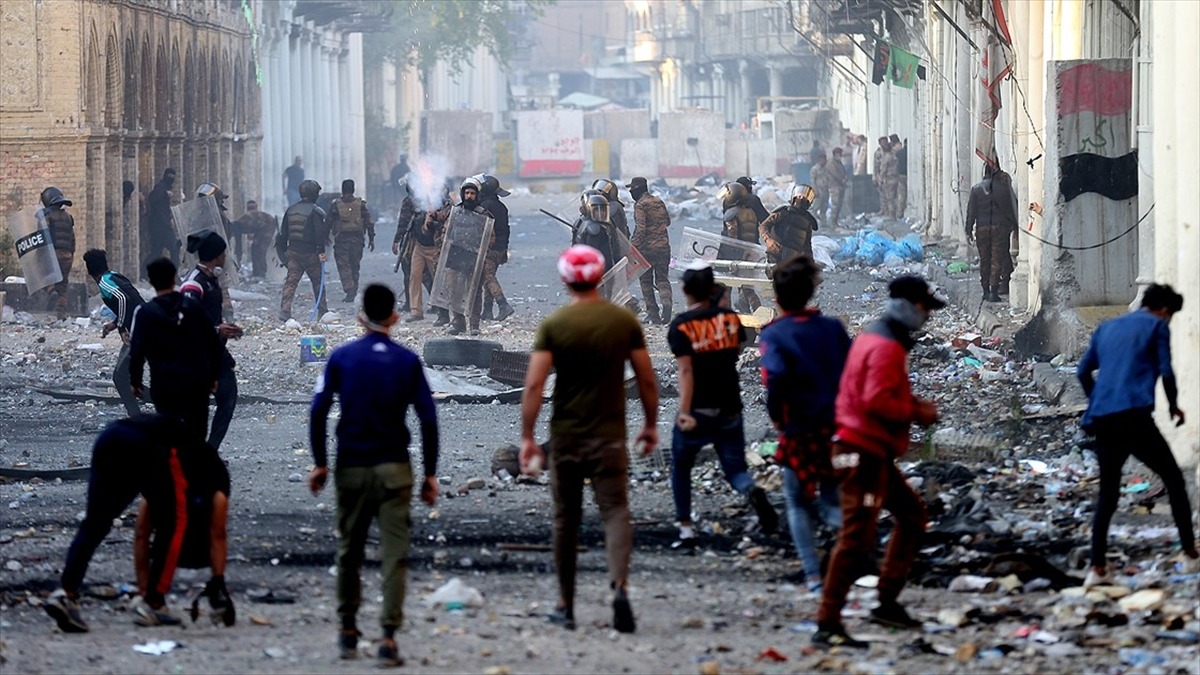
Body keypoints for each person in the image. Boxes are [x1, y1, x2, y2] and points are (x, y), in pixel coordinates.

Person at [519, 245, 659, 634]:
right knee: (615, 512)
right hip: (610, 437)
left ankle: (565, 605)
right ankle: (620, 588)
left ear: (565, 279)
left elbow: (533, 386)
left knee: (566, 519)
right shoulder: (622, 321)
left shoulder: (555, 324)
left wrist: (528, 437)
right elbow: (647, 379)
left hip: (566, 437)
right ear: (600, 277)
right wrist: (649, 424)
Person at [309, 283, 440, 667]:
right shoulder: (407, 361)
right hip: (394, 467)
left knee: (350, 548)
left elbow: (318, 410)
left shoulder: (341, 358)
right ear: (395, 318)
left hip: (351, 465)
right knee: (394, 554)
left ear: (359, 318)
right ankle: (388, 637)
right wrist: (430, 473)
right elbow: (428, 419)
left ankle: (348, 630)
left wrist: (320, 463)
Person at [814, 276, 944, 649]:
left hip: (869, 451)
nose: (926, 317)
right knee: (857, 537)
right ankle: (827, 621)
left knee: (912, 516)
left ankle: (886, 601)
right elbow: (876, 401)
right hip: (862, 454)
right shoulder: (887, 347)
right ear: (907, 305)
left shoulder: (874, 336)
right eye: (923, 309)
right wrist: (918, 410)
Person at [1078, 284, 1198, 587]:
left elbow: (1082, 372)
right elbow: (1167, 372)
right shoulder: (1157, 326)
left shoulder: (1107, 327)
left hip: (1103, 419)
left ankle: (1097, 567)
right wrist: (1173, 406)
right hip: (1134, 416)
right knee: (1173, 479)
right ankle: (1190, 554)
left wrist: (1097, 402)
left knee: (1108, 493)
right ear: (1164, 310)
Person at [42, 414, 203, 632]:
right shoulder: (191, 451)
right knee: (172, 523)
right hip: (143, 446)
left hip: (111, 436)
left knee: (95, 523)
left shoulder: (168, 425)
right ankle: (154, 604)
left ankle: (66, 593)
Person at [667, 263, 778, 550]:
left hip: (699, 408)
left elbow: (686, 372)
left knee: (681, 467)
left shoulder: (681, 326)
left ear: (686, 290)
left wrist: (686, 411)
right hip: (729, 406)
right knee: (734, 470)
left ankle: (686, 529)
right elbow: (737, 349)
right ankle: (750, 489)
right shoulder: (730, 319)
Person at [759, 256, 849, 591]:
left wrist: (778, 418)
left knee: (796, 501)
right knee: (833, 499)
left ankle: (813, 575)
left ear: (778, 297)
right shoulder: (833, 329)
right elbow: (851, 375)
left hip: (797, 428)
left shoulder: (775, 334)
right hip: (835, 427)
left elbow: (775, 379)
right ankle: (851, 560)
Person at [129, 258, 222, 443]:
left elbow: (137, 351)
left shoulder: (144, 312)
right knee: (196, 435)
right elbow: (211, 342)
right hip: (195, 384)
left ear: (151, 281)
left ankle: (174, 467)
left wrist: (135, 382)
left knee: (169, 434)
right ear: (174, 279)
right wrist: (213, 377)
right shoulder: (193, 307)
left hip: (164, 385)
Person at [180, 230, 242, 450]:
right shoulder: (193, 284)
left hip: (214, 353)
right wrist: (217, 329)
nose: (225, 258)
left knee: (228, 397)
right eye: (224, 253)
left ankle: (209, 451)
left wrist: (226, 332)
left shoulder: (211, 279)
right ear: (217, 255)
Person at [82, 249, 145, 417]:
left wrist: (122, 329)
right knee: (123, 377)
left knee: (120, 377)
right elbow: (130, 301)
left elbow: (123, 299)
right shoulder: (114, 276)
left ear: (89, 270)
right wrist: (114, 324)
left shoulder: (104, 282)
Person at [964, 162, 1019, 302]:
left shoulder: (976, 189)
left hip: (982, 228)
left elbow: (971, 212)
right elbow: (1012, 208)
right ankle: (994, 291)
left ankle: (985, 290)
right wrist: (1015, 226)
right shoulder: (1003, 188)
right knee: (996, 259)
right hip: (1000, 228)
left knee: (985, 259)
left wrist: (968, 230)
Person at [278, 179, 330, 321]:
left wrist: (283, 255)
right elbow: (319, 233)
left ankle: (285, 311)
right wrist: (321, 252)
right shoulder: (315, 211)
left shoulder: (290, 210)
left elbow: (283, 234)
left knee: (291, 282)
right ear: (314, 193)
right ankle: (323, 311)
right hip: (311, 253)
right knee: (318, 282)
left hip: (293, 251)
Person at [627, 176, 673, 324]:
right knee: (662, 279)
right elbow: (668, 221)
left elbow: (640, 229)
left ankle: (653, 313)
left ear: (636, 190)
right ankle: (667, 303)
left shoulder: (640, 205)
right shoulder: (659, 201)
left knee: (646, 281)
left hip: (647, 250)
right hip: (664, 247)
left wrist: (631, 247)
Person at [474, 174, 515, 323]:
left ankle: (503, 305)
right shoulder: (501, 206)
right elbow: (506, 229)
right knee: (488, 277)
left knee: (488, 277)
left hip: (489, 248)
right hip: (500, 248)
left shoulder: (484, 207)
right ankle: (487, 311)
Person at [717, 181, 763, 313]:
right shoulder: (751, 212)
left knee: (726, 286)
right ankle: (758, 311)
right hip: (749, 254)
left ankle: (727, 315)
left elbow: (732, 237)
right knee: (747, 288)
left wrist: (722, 258)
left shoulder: (731, 214)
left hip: (734, 256)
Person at [327, 179, 375, 303]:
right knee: (355, 266)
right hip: (357, 241)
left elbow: (328, 223)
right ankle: (353, 289)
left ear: (342, 190)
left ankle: (349, 290)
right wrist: (371, 239)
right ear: (353, 190)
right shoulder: (360, 204)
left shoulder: (335, 205)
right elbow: (369, 222)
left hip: (341, 241)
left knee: (344, 266)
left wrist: (324, 238)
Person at [40, 187, 76, 320]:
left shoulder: (47, 217)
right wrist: (71, 255)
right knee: (63, 285)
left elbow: (43, 236)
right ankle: (62, 314)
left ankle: (51, 290)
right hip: (67, 256)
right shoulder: (68, 217)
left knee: (44, 277)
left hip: (52, 253)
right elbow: (73, 239)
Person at [760, 185, 819, 264]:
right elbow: (764, 226)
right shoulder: (782, 212)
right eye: (799, 195)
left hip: (792, 260)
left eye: (804, 197)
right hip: (774, 254)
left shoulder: (808, 222)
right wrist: (768, 240)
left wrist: (810, 264)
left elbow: (807, 247)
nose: (801, 198)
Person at [232, 200, 278, 278]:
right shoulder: (238, 229)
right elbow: (238, 246)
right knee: (254, 249)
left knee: (262, 250)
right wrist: (238, 259)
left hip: (269, 224)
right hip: (261, 229)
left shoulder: (245, 222)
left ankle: (262, 273)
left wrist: (258, 238)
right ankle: (256, 272)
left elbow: (262, 226)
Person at [145, 168, 178, 268]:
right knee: (174, 248)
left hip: (162, 225)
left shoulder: (164, 188)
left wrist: (170, 218)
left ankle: (143, 272)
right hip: (161, 226)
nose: (171, 179)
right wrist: (165, 194)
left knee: (156, 251)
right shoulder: (160, 188)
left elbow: (165, 209)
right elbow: (152, 198)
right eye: (169, 176)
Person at [873, 137, 895, 219]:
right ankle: (884, 210)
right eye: (882, 142)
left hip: (890, 176)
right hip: (881, 175)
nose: (884, 144)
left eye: (885, 142)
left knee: (890, 196)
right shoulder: (878, 153)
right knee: (883, 195)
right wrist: (875, 177)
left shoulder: (890, 152)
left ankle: (891, 214)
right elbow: (875, 166)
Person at [826, 147, 849, 228]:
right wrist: (842, 180)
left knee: (839, 205)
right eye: (838, 154)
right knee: (835, 205)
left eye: (840, 154)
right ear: (834, 155)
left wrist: (845, 179)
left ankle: (835, 222)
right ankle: (832, 223)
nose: (839, 156)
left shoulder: (839, 163)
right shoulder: (831, 164)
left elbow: (844, 172)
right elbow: (835, 174)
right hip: (834, 187)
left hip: (840, 186)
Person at [809, 150, 830, 227]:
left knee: (824, 209)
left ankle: (824, 224)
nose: (824, 161)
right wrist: (815, 190)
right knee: (815, 208)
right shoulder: (815, 169)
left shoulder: (825, 169)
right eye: (822, 159)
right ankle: (812, 224)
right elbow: (812, 180)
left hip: (825, 190)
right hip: (819, 191)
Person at [889, 135, 908, 218]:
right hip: (908, 175)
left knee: (901, 195)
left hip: (900, 175)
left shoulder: (898, 153)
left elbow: (895, 165)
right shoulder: (908, 152)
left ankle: (899, 213)